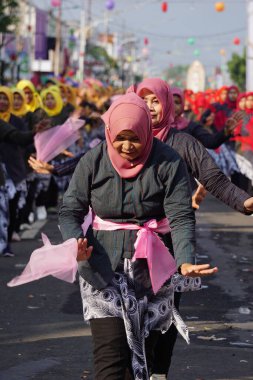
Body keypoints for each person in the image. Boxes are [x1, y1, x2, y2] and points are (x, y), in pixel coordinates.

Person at [59, 93, 217, 380]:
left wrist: (184, 261)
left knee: (142, 359)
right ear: (110, 132)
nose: (127, 146)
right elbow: (70, 210)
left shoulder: (169, 161)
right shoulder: (93, 161)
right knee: (110, 359)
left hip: (153, 273)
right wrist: (76, 242)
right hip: (101, 268)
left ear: (146, 132)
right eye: (121, 138)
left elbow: (180, 216)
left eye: (135, 138)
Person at [127, 78, 253, 379]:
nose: (150, 106)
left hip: (173, 239)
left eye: (156, 100)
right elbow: (90, 166)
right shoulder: (124, 135)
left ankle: (158, 371)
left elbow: (216, 180)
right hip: (125, 242)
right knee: (129, 313)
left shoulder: (183, 142)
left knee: (165, 312)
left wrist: (246, 202)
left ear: (167, 104)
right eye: (143, 99)